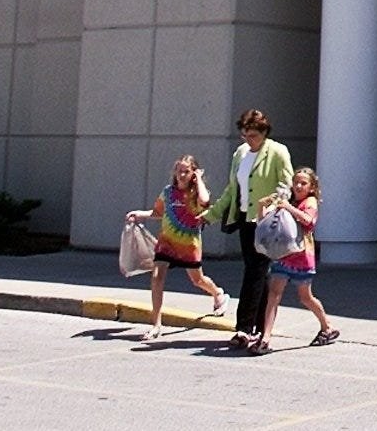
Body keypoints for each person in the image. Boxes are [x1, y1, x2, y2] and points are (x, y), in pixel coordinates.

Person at [205, 108, 293, 348]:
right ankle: (262, 326)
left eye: (253, 135)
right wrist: (212, 214)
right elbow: (232, 190)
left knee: (254, 271)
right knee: (257, 272)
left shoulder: (277, 151)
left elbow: (286, 186)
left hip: (265, 221)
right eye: (245, 135)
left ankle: (244, 327)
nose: (248, 140)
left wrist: (270, 204)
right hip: (245, 218)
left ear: (264, 132)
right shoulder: (241, 153)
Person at [124, 155, 228, 341]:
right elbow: (158, 212)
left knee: (197, 280)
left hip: (189, 245)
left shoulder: (196, 193)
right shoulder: (168, 192)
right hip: (166, 243)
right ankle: (156, 324)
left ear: (193, 173)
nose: (182, 175)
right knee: (157, 277)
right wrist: (139, 214)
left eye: (186, 171)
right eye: (179, 171)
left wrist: (199, 180)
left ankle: (217, 293)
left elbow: (205, 201)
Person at [252, 167, 338, 354]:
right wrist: (262, 206)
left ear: (312, 187)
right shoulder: (288, 201)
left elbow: (309, 221)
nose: (298, 186)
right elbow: (265, 222)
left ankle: (327, 326)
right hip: (283, 255)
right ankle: (265, 337)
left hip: (302, 258)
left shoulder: (309, 202)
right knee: (273, 295)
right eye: (296, 182)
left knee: (305, 297)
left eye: (303, 183)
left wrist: (288, 208)